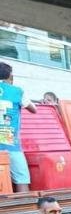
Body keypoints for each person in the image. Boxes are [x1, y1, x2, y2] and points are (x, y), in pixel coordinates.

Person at [0, 64, 37, 194]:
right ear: (10, 75)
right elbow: (34, 109)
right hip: (9, 140)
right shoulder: (16, 91)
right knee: (22, 178)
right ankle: (25, 212)